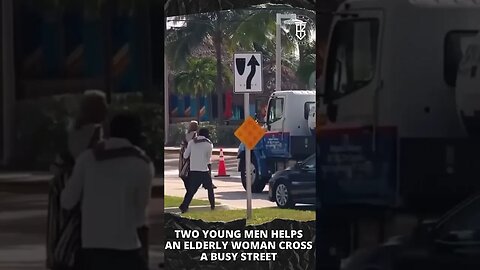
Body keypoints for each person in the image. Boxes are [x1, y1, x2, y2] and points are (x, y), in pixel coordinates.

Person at [61, 113, 154, 270]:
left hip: (91, 248)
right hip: (127, 248)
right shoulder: (143, 164)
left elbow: (67, 201)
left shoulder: (87, 158)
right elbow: (140, 217)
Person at [46, 90, 107, 270]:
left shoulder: (73, 128)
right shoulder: (96, 130)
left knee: (58, 221)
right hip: (84, 179)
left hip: (65, 178)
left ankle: (56, 254)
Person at [179, 127, 215, 213]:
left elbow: (185, 156)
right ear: (207, 135)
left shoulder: (192, 142)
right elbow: (208, 159)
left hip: (193, 170)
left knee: (191, 191)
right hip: (203, 170)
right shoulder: (209, 144)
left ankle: (184, 206)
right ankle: (212, 206)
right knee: (210, 188)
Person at [179, 121, 198, 189]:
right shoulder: (196, 135)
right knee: (189, 171)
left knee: (183, 171)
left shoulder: (185, 134)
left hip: (183, 153)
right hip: (191, 153)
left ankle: (188, 188)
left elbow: (182, 144)